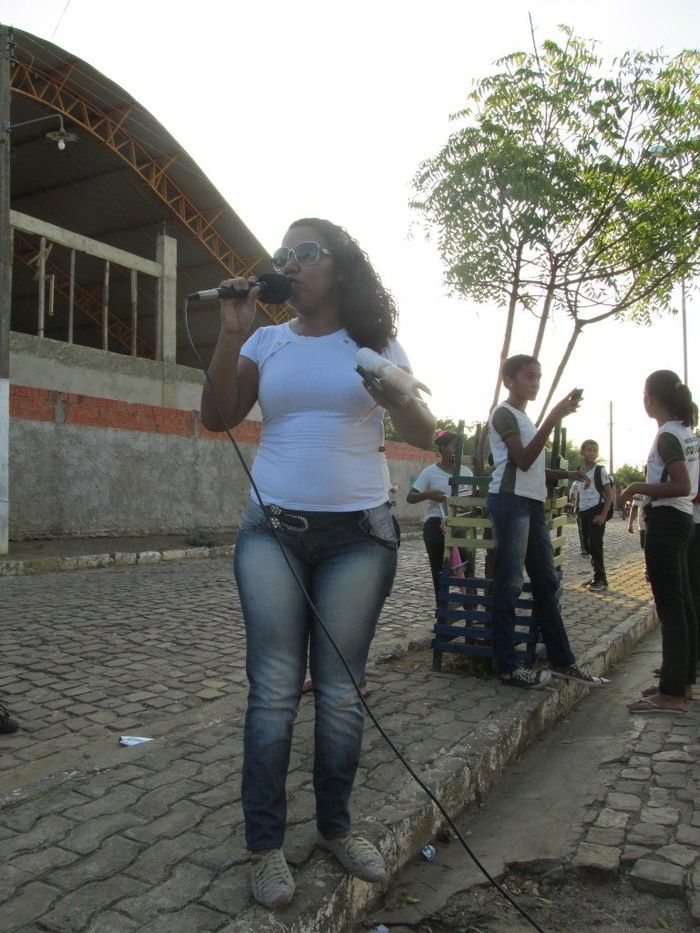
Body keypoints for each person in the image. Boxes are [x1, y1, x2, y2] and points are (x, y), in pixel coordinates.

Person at [200, 218, 435, 910]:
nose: (289, 263)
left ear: (339, 265)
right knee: (274, 687)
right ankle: (265, 844)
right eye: (283, 255)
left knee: (339, 690)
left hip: (360, 536)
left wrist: (397, 397)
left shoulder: (375, 344)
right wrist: (232, 330)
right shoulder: (266, 339)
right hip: (272, 530)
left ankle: (336, 825)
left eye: (304, 251)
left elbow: (425, 434)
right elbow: (217, 415)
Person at [486, 355, 608, 689]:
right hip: (510, 503)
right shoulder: (504, 413)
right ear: (509, 380)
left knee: (547, 582)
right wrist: (554, 416)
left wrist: (567, 473)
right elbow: (522, 461)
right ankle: (507, 667)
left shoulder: (524, 418)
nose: (535, 383)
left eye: (538, 377)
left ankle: (562, 661)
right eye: (529, 377)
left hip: (532, 504)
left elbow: (534, 467)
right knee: (509, 584)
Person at [619, 371, 699, 714]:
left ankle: (671, 695)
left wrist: (636, 487)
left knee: (671, 608)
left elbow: (682, 485)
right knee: (683, 606)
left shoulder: (668, 436)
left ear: (651, 398)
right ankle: (681, 683)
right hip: (681, 522)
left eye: (643, 393)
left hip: (667, 522)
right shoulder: (686, 432)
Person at [406, 431, 474, 601]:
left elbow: (474, 500)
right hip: (436, 522)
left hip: (459, 522)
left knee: (466, 563)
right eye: (454, 447)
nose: (458, 451)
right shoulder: (430, 472)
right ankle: (442, 608)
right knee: (438, 567)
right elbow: (410, 497)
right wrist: (429, 494)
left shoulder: (466, 472)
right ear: (443, 449)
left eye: (461, 447)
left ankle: (470, 607)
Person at [576, 440, 614, 591]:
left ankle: (601, 579)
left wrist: (603, 515)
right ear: (582, 452)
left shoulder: (599, 470)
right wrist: (577, 507)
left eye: (595, 450)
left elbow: (609, 495)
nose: (592, 453)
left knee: (595, 544)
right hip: (584, 511)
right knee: (588, 546)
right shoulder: (579, 471)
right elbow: (579, 490)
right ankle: (596, 576)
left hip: (596, 510)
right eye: (589, 450)